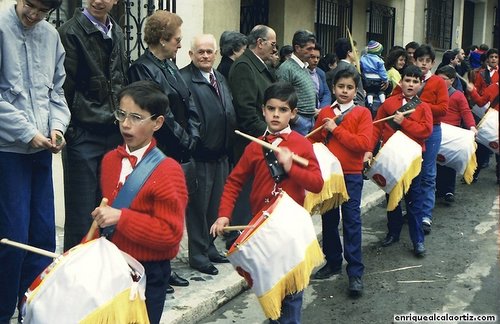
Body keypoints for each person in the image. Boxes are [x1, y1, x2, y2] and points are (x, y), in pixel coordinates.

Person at [210, 82, 323, 323]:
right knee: (270, 288)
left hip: (291, 229)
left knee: (292, 293)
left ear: (293, 114)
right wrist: (223, 215)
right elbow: (233, 182)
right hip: (262, 229)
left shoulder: (302, 145)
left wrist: (291, 167)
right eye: (271, 108)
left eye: (283, 110)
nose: (276, 114)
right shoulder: (254, 147)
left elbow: (316, 184)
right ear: (263, 110)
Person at [91, 81, 188, 324]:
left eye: (136, 117)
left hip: (148, 272)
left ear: (157, 123)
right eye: (121, 114)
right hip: (112, 266)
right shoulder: (109, 160)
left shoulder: (169, 171)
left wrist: (122, 218)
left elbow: (170, 234)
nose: (125, 124)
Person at [0, 0, 70, 322]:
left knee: (42, 237)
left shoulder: (51, 36)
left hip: (42, 152)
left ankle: (32, 312)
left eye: (43, 11)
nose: (34, 16)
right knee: (12, 239)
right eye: (30, 5)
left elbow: (57, 91)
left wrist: (56, 128)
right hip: (8, 151)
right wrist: (29, 132)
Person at [128, 9, 201, 292]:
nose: (180, 45)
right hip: (160, 149)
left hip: (180, 149)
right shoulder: (142, 67)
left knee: (171, 210)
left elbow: (188, 101)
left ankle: (165, 267)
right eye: (176, 40)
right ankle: (152, 269)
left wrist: (193, 133)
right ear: (161, 39)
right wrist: (184, 138)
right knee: (153, 212)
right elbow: (159, 111)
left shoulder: (170, 65)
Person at [58, 0, 129, 252]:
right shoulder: (70, 31)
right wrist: (72, 131)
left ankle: (104, 272)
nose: (99, 0)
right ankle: (77, 276)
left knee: (109, 207)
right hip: (83, 134)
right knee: (81, 212)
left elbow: (120, 79)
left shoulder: (117, 31)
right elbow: (64, 88)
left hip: (112, 132)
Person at [309, 69, 373, 297]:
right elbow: (315, 141)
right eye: (340, 87)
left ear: (356, 90)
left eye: (349, 87)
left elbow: (363, 143)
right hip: (329, 176)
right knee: (328, 219)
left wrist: (336, 130)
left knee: (352, 221)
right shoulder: (325, 112)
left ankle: (355, 272)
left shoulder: (363, 113)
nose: (344, 91)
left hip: (352, 175)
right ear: (333, 87)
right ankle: (333, 261)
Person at [179, 34, 236, 275]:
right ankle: (198, 254)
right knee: (198, 208)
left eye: (209, 52)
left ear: (216, 54)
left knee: (215, 205)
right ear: (191, 54)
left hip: (221, 154)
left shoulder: (220, 77)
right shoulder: (184, 79)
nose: (205, 56)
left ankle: (210, 247)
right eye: (200, 52)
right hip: (200, 155)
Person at [367, 65, 433, 256]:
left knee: (414, 201)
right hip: (392, 157)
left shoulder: (423, 107)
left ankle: (418, 240)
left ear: (420, 85)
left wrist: (404, 122)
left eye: (415, 81)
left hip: (412, 159)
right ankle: (393, 232)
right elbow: (375, 128)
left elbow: (426, 131)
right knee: (392, 196)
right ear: (401, 82)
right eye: (407, 80)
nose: (410, 84)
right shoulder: (388, 103)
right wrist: (369, 151)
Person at [225, 25, 277, 248]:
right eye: (272, 44)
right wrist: (268, 136)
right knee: (245, 195)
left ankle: (250, 236)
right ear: (260, 43)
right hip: (251, 143)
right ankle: (237, 240)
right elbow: (246, 112)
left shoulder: (258, 65)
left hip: (262, 141)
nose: (275, 49)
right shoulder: (245, 67)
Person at [435, 65, 477, 203]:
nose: (439, 81)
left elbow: (466, 112)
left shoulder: (458, 95)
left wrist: (472, 126)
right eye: (438, 78)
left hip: (452, 135)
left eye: (443, 79)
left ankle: (449, 191)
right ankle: (438, 189)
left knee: (450, 163)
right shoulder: (432, 93)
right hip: (436, 131)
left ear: (452, 80)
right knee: (436, 163)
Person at [276, 30, 317, 135]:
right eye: (309, 49)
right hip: (298, 122)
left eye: (313, 48)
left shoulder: (304, 66)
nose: (313, 53)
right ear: (298, 48)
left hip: (310, 119)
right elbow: (281, 97)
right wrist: (296, 119)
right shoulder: (286, 68)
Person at [326, 37, 365, 106]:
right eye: (355, 51)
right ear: (349, 53)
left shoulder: (335, 69)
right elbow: (359, 96)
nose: (357, 54)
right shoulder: (350, 69)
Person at [360, 40, 389, 110]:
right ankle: (383, 102)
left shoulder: (363, 58)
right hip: (377, 79)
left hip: (367, 79)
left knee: (370, 92)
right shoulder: (379, 60)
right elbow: (382, 72)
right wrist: (386, 80)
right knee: (380, 91)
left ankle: (370, 103)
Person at [308, 43, 332, 109]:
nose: (316, 60)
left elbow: (326, 93)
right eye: (312, 57)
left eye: (318, 58)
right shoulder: (301, 72)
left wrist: (322, 110)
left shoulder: (320, 73)